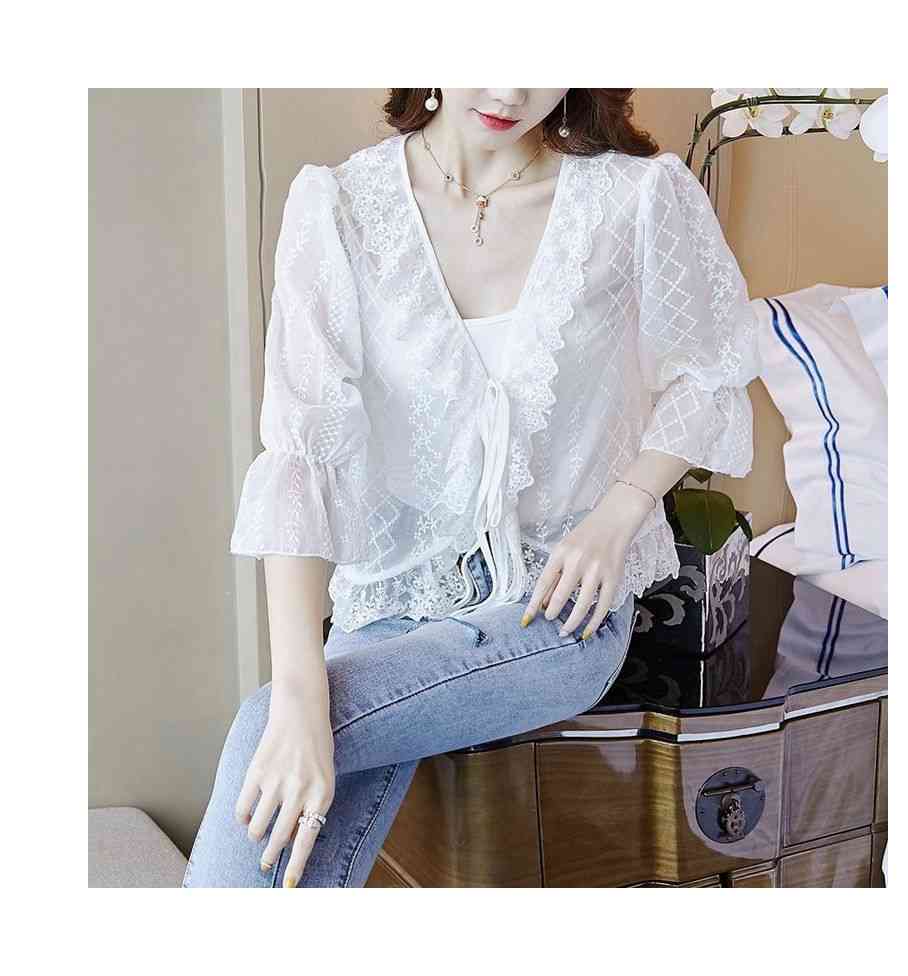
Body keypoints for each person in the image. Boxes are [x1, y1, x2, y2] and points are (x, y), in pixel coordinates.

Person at [182, 88, 759, 887]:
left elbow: (712, 373)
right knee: (287, 741)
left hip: (557, 610)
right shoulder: (340, 207)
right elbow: (301, 455)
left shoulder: (635, 197)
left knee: (268, 727)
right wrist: (300, 690)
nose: (509, 90)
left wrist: (619, 511)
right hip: (390, 603)